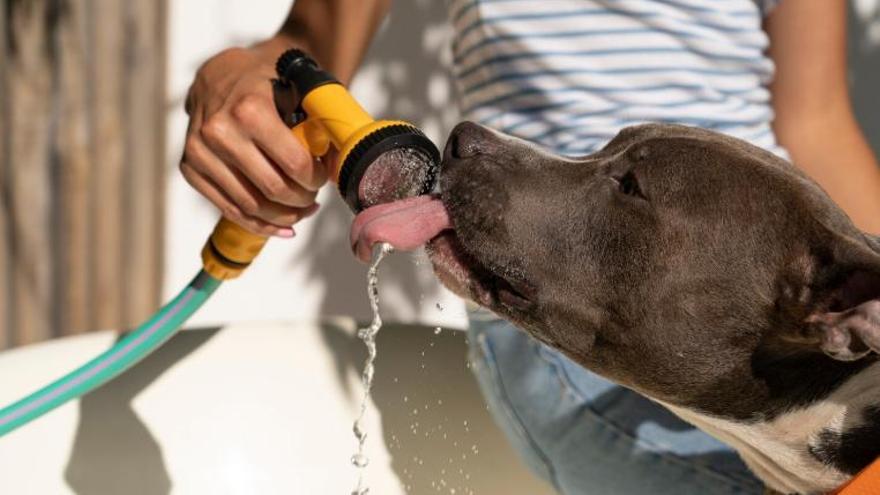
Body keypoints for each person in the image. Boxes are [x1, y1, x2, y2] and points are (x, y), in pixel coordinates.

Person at [179, 1, 880, 493]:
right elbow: (304, 44)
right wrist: (236, 76)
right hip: (577, 315)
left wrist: (863, 300)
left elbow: (815, 124)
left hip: (756, 294)